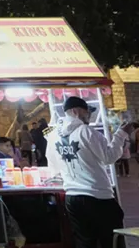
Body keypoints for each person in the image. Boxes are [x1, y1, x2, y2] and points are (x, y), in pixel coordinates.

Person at [56, 96, 134, 248]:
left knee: (85, 242)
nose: (90, 116)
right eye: (87, 112)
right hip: (96, 196)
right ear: (75, 111)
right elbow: (108, 157)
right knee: (111, 240)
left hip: (72, 197)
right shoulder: (86, 131)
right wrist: (121, 134)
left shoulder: (55, 135)